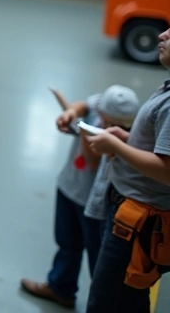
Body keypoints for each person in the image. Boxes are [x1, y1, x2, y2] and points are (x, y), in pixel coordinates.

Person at [20, 84, 140, 308]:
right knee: (67, 243)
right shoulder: (98, 107)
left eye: (108, 121)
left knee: (99, 258)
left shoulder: (124, 138)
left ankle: (103, 302)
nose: (102, 121)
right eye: (101, 116)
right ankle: (61, 287)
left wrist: (85, 129)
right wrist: (72, 113)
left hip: (97, 206)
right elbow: (85, 105)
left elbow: (93, 159)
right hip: (70, 187)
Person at [82, 28, 170, 312]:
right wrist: (128, 140)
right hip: (130, 213)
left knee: (108, 302)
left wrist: (117, 147)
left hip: (136, 224)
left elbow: (167, 171)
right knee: (128, 301)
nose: (162, 35)